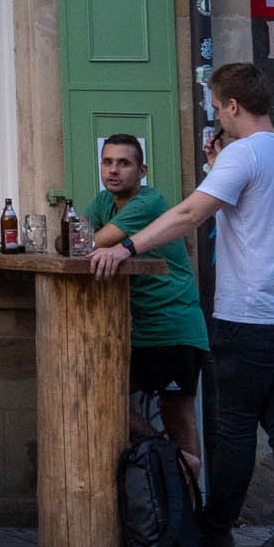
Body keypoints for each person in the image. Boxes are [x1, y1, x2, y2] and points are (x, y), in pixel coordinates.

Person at [93, 62, 274, 547]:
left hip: (254, 312)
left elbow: (188, 214)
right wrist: (219, 167)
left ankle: (217, 530)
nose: (216, 114)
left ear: (233, 106)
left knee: (236, 426)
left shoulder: (244, 155)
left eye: (216, 107)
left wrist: (128, 246)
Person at [87, 133, 211, 475]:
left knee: (179, 416)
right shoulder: (103, 203)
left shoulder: (148, 203)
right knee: (104, 396)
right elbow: (73, 238)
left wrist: (83, 240)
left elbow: (91, 241)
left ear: (142, 171)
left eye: (123, 163)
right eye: (107, 162)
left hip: (174, 325)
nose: (113, 170)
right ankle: (170, 459)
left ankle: (186, 508)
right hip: (138, 330)